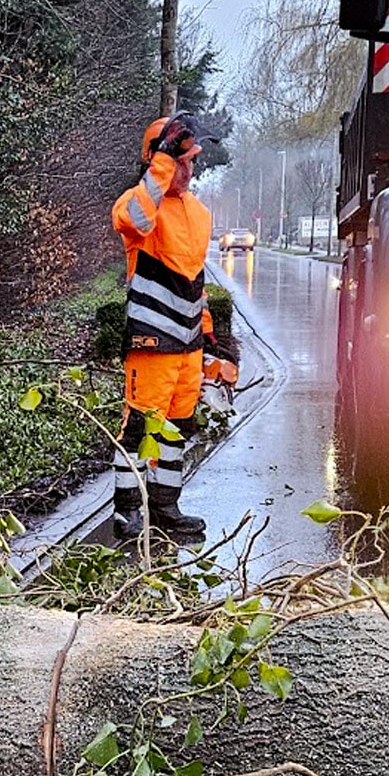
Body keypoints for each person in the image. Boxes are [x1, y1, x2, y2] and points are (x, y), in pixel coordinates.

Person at [109, 112, 240, 541]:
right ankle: (127, 512)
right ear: (161, 159)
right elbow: (134, 220)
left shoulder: (198, 213)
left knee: (176, 428)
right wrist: (161, 165)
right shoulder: (139, 203)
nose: (191, 168)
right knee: (138, 426)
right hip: (150, 338)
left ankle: (165, 507)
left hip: (187, 343)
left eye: (191, 160)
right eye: (184, 159)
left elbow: (194, 281)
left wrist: (211, 339)